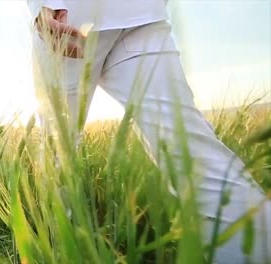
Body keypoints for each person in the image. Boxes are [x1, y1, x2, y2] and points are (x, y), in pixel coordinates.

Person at [26, 1, 270, 263]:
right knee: (190, 154)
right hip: (126, 13)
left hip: (81, 16)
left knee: (57, 157)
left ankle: (57, 252)